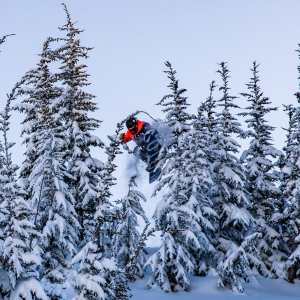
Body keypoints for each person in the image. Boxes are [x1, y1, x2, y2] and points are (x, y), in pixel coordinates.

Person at [120, 115, 162, 182]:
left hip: (155, 145)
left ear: (136, 124)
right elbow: (126, 138)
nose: (132, 130)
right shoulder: (130, 132)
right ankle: (150, 163)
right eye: (130, 129)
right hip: (145, 149)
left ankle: (153, 161)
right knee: (136, 151)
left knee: (148, 140)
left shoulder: (144, 126)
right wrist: (122, 138)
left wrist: (148, 134)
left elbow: (153, 131)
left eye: (133, 128)